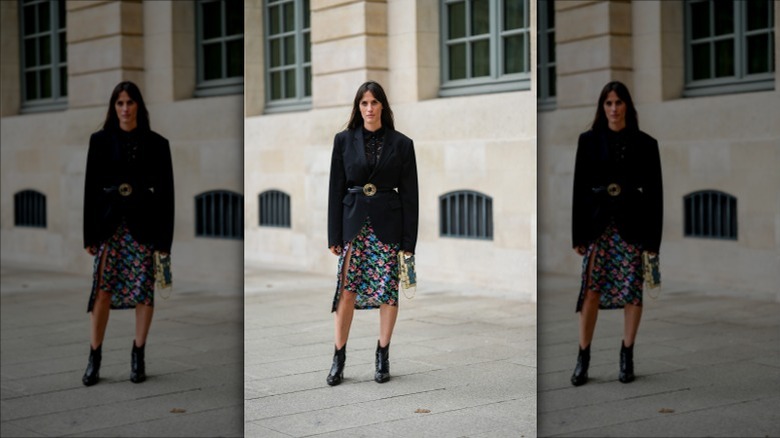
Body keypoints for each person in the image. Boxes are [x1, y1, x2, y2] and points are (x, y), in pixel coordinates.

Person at [326, 81, 419, 385]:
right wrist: (334, 236)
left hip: (388, 226)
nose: (369, 109)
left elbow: (410, 196)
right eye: (364, 103)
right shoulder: (343, 141)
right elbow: (335, 189)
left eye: (374, 103)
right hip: (353, 224)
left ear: (383, 107)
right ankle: (338, 357)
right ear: (358, 108)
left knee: (388, 292)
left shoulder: (402, 144)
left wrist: (408, 243)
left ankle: (383, 354)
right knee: (346, 291)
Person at [82, 81, 174, 386]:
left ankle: (138, 354)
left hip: (143, 228)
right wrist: (89, 235)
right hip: (109, 228)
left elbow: (166, 196)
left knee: (143, 291)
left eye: (130, 102)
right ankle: (94, 356)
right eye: (119, 103)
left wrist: (164, 241)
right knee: (102, 291)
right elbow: (90, 192)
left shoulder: (157, 144)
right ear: (113, 107)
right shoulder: (100, 141)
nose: (124, 108)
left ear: (139, 106)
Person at [570, 81, 663, 386]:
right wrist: (578, 235)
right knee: (591, 291)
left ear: (627, 107)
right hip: (598, 228)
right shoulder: (588, 141)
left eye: (618, 103)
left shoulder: (646, 144)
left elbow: (655, 196)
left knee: (632, 292)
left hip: (632, 229)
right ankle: (583, 357)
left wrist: (653, 242)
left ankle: (627, 354)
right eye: (608, 103)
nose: (613, 109)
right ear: (602, 107)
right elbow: (579, 191)